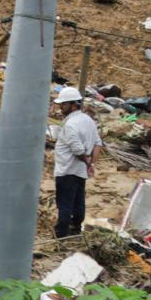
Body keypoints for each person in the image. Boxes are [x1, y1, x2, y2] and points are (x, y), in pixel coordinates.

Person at [52, 85, 99, 238]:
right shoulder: (88, 121)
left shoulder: (71, 124)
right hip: (80, 172)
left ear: (73, 105)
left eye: (63, 105)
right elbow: (97, 143)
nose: (61, 108)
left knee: (64, 204)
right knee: (78, 203)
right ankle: (76, 230)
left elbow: (78, 149)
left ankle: (61, 235)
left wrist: (86, 162)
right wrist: (91, 163)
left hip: (67, 170)